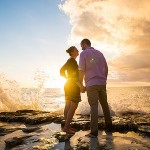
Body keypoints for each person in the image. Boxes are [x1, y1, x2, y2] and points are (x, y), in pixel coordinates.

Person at [79, 39, 112, 138]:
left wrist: (80, 84)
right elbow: (106, 68)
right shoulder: (100, 53)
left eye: (81, 45)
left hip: (91, 83)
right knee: (104, 104)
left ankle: (93, 132)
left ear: (85, 44)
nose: (81, 47)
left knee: (94, 106)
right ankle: (109, 126)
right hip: (102, 83)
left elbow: (81, 70)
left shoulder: (83, 53)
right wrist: (104, 80)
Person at [60, 46, 85, 134]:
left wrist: (67, 78)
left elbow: (61, 71)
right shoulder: (73, 62)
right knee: (73, 106)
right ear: (72, 52)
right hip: (73, 86)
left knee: (68, 105)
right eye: (76, 50)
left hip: (67, 85)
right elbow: (74, 77)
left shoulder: (69, 61)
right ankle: (66, 127)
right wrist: (81, 86)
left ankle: (67, 125)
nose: (78, 50)